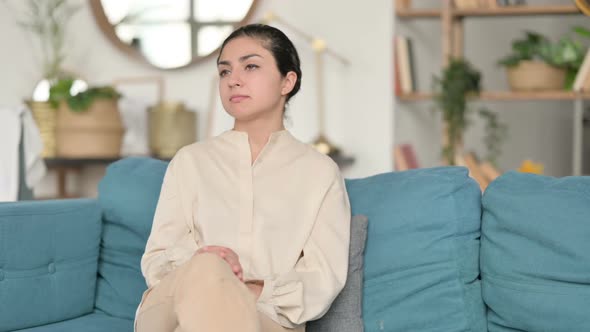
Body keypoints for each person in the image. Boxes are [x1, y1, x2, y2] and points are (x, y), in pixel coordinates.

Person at [134, 24, 351, 332]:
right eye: (225, 72)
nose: (233, 80)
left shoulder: (319, 172)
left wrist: (252, 290)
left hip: (267, 318)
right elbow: (156, 259)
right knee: (208, 269)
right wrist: (205, 268)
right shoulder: (190, 161)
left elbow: (323, 275)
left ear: (287, 81)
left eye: (250, 66)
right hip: (172, 309)